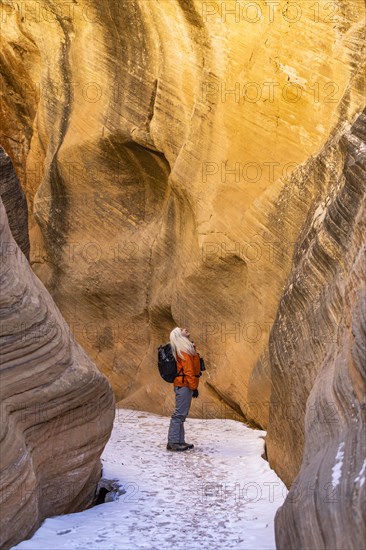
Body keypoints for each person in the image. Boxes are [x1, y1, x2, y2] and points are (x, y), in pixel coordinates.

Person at [167, 326, 201, 452]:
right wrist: (194, 387)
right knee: (179, 415)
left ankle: (179, 441)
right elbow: (189, 371)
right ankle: (174, 442)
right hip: (184, 385)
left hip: (184, 385)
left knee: (181, 414)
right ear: (178, 335)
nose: (185, 329)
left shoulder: (185, 348)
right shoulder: (184, 350)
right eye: (181, 329)